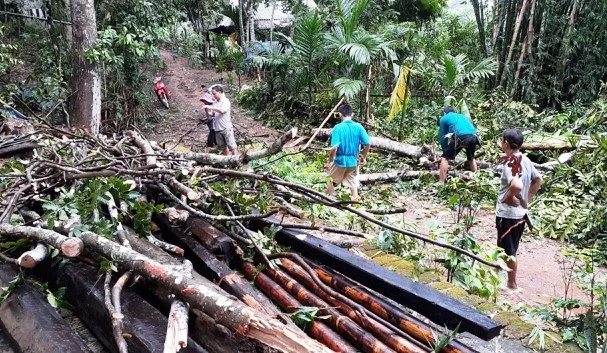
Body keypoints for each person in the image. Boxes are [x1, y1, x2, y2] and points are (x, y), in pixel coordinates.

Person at [496, 128, 542, 290]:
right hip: (520, 214)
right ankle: (496, 277)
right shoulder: (525, 159)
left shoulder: (511, 162)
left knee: (509, 250)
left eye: (502, 140)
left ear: (506, 143)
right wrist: (526, 200)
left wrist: (509, 197)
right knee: (503, 247)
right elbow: (538, 180)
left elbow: (516, 184)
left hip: (508, 215)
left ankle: (512, 285)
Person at [325, 104, 370, 201]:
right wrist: (364, 157)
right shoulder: (359, 127)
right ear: (352, 114)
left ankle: (331, 201)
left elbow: (334, 148)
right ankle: (354, 204)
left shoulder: (337, 128)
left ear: (340, 114)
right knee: (353, 183)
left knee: (329, 178)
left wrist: (329, 161)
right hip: (353, 161)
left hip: (340, 161)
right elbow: (367, 143)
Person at [437, 106, 479, 183]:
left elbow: (443, 137)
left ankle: (441, 182)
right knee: (471, 158)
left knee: (445, 158)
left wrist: (445, 150)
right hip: (474, 136)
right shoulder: (461, 116)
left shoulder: (444, 118)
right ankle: (476, 180)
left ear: (444, 113)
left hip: (461, 137)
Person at [202, 85, 237, 155]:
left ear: (220, 92)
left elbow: (222, 110)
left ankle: (236, 160)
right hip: (217, 129)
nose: (213, 96)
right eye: (212, 94)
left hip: (226, 128)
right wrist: (207, 109)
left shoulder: (226, 101)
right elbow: (212, 114)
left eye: (214, 94)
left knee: (232, 146)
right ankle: (226, 161)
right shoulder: (215, 103)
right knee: (223, 147)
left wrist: (210, 107)